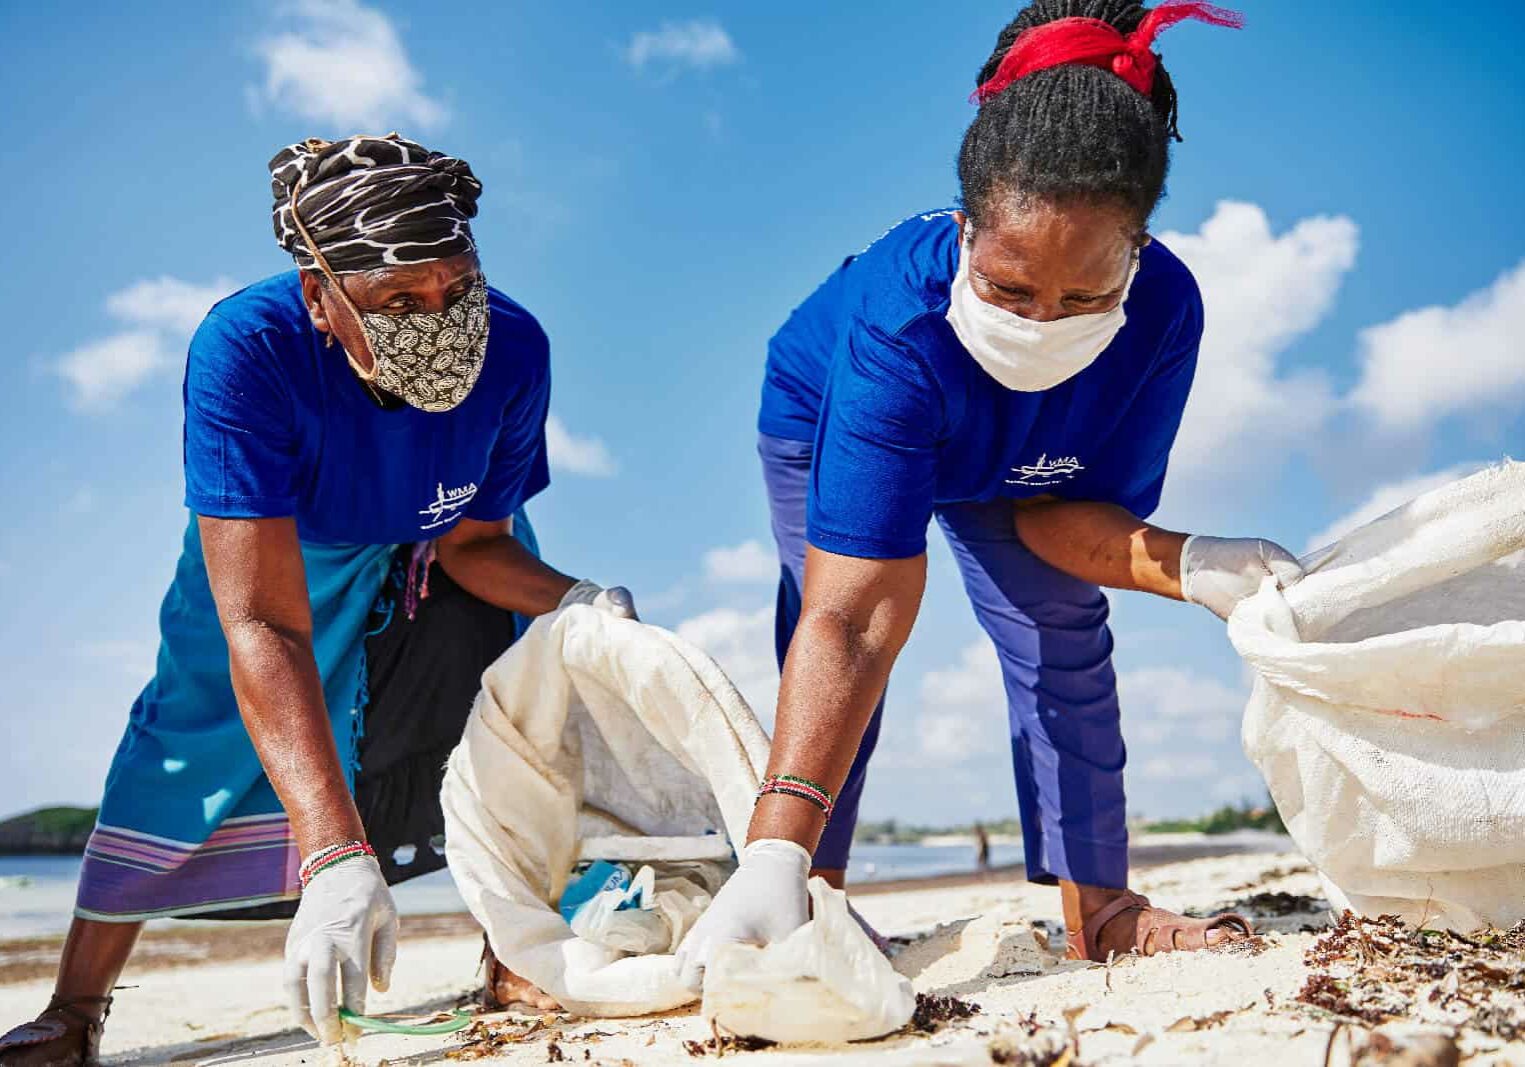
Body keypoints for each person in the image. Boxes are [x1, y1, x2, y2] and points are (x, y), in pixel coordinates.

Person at [678, 0, 1299, 988]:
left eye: (1083, 296)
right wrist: (773, 851)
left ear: (1137, 248)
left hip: (1028, 463)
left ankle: (1103, 905)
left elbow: (1066, 525)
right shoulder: (896, 317)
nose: (1042, 322)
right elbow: (855, 615)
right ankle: (805, 886)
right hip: (837, 403)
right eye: (1010, 289)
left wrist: (1195, 563)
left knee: (1059, 626)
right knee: (834, 632)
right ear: (966, 228)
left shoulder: (1164, 313)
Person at [0, 134, 632, 1066]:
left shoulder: (514, 347)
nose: (440, 318)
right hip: (278, 557)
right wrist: (334, 855)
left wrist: (580, 601)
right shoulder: (248, 349)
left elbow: (476, 544)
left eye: (458, 287)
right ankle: (77, 1006)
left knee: (518, 697)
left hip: (438, 552)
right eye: (398, 301)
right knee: (186, 737)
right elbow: (261, 620)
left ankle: (514, 952)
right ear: (318, 296)